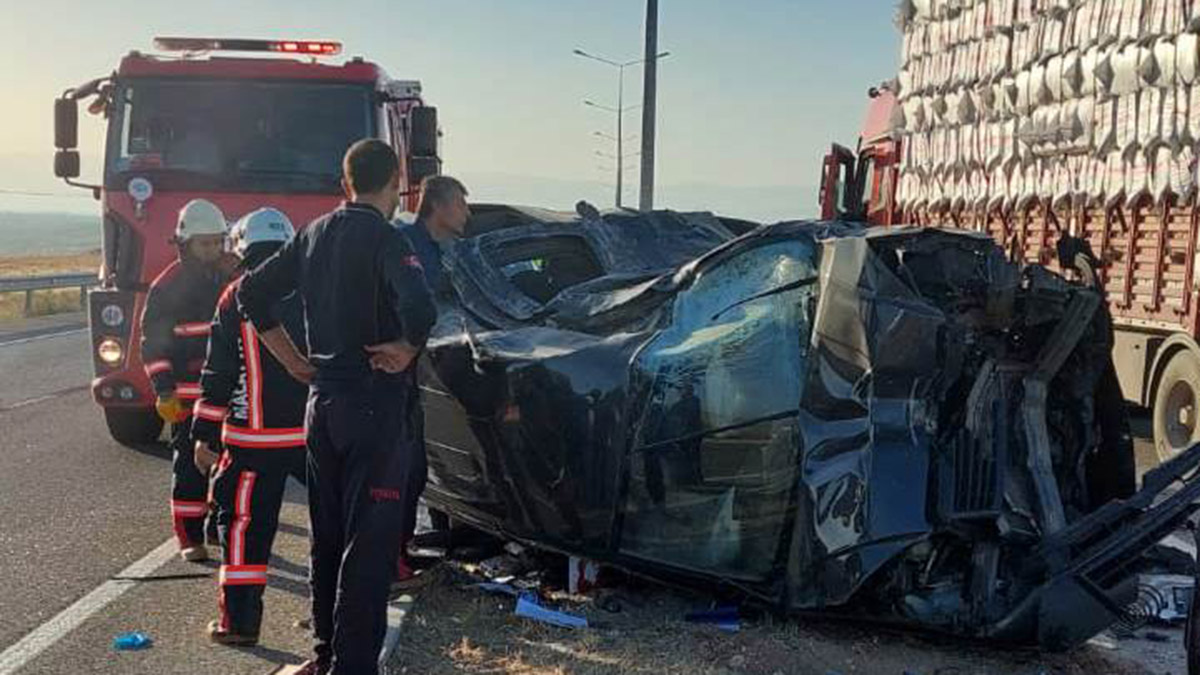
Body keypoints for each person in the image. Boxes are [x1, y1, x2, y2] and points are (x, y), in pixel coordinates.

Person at [237, 139, 436, 675]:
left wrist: (295, 363)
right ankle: (353, 666)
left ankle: (324, 655)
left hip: (321, 404)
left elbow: (251, 294)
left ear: (345, 182)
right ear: (395, 183)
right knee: (368, 546)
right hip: (374, 405)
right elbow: (421, 307)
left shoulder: (313, 234)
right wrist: (406, 348)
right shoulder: (388, 238)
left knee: (326, 538)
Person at [191, 208, 308, 646]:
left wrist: (204, 434)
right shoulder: (313, 288)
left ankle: (239, 623)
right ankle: (334, 620)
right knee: (336, 521)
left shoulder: (234, 296)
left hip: (252, 441)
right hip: (313, 435)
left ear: (241, 247)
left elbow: (218, 372)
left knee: (243, 529)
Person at [393, 175, 470, 588]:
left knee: (416, 470)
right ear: (437, 206)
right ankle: (392, 561)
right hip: (395, 373)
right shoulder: (402, 244)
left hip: (428, 374)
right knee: (400, 471)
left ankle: (401, 552)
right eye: (460, 203)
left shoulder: (450, 251)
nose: (466, 212)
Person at [140, 198, 228, 562]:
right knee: (190, 468)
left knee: (228, 464)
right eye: (204, 244)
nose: (212, 250)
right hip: (188, 397)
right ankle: (190, 538)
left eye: (217, 242)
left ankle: (219, 526)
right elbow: (153, 344)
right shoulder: (168, 286)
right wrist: (164, 389)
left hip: (226, 395)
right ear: (186, 243)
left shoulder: (229, 277)